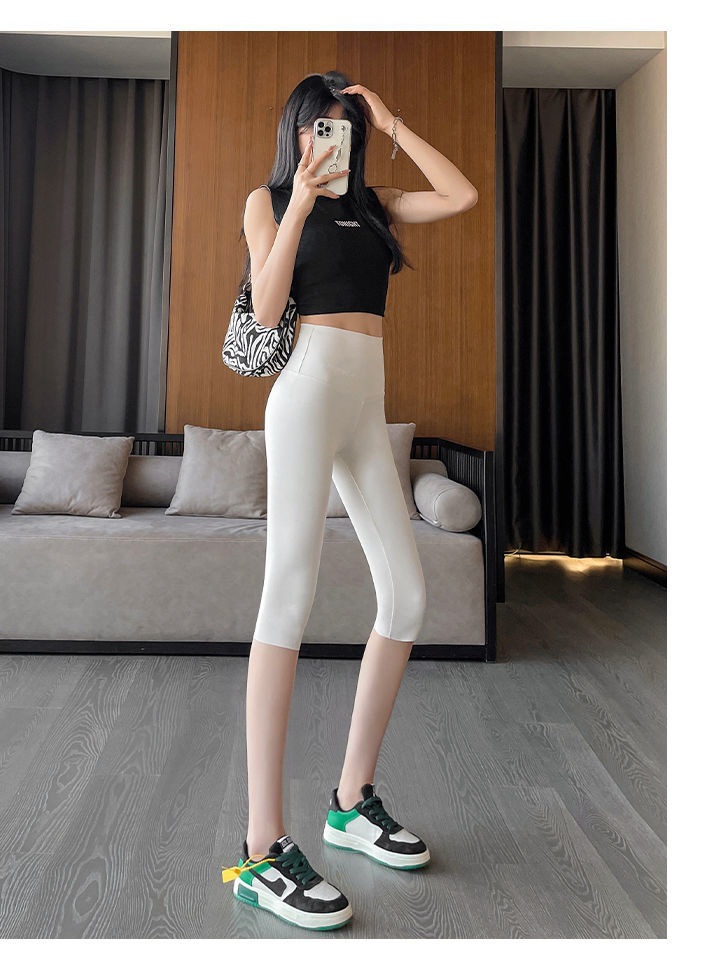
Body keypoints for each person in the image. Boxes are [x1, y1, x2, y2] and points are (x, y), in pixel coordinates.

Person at [223, 70, 478, 931]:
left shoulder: (377, 206)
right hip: (303, 398)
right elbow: (266, 309)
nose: (327, 139)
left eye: (341, 127)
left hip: (366, 409)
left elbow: (462, 194)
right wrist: (299, 200)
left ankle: (349, 800)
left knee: (407, 597)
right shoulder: (265, 201)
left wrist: (393, 122)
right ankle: (262, 847)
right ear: (293, 131)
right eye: (315, 125)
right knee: (286, 599)